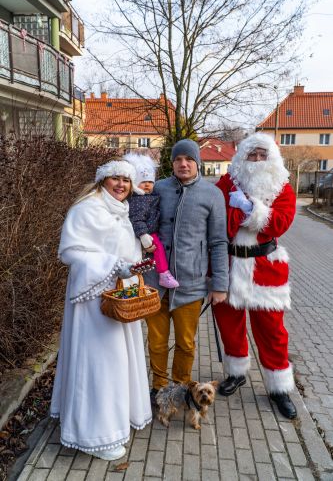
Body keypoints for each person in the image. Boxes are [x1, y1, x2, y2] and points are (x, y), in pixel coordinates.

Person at [50, 160, 152, 460]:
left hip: (119, 299)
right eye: (115, 179)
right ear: (102, 180)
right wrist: (111, 265)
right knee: (99, 366)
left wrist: (134, 264)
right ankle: (96, 435)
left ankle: (116, 421)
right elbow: (70, 252)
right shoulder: (86, 209)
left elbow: (125, 250)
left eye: (126, 180)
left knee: (118, 362)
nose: (121, 185)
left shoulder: (122, 212)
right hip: (93, 303)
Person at [213, 132, 297, 419]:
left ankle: (278, 387)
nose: (258, 159)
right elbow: (216, 220)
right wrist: (232, 208)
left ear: (272, 157)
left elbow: (281, 223)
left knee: (272, 331)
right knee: (229, 325)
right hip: (230, 265)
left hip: (266, 267)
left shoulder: (282, 186)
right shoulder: (227, 183)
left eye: (263, 154)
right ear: (242, 157)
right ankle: (235, 373)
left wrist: (251, 209)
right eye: (252, 154)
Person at [144, 139, 229, 403]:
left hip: (190, 283)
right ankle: (158, 387)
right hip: (155, 281)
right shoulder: (158, 189)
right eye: (178, 159)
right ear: (172, 163)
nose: (183, 164)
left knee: (186, 343)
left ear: (197, 163)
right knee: (156, 342)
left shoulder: (212, 194)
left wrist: (220, 284)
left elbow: (218, 242)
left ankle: (179, 388)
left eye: (189, 159)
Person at [123, 152, 179, 288]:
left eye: (150, 182)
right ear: (135, 183)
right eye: (143, 182)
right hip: (146, 232)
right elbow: (137, 219)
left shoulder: (149, 196)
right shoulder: (138, 199)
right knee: (158, 249)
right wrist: (143, 235)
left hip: (151, 229)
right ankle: (163, 273)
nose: (147, 185)